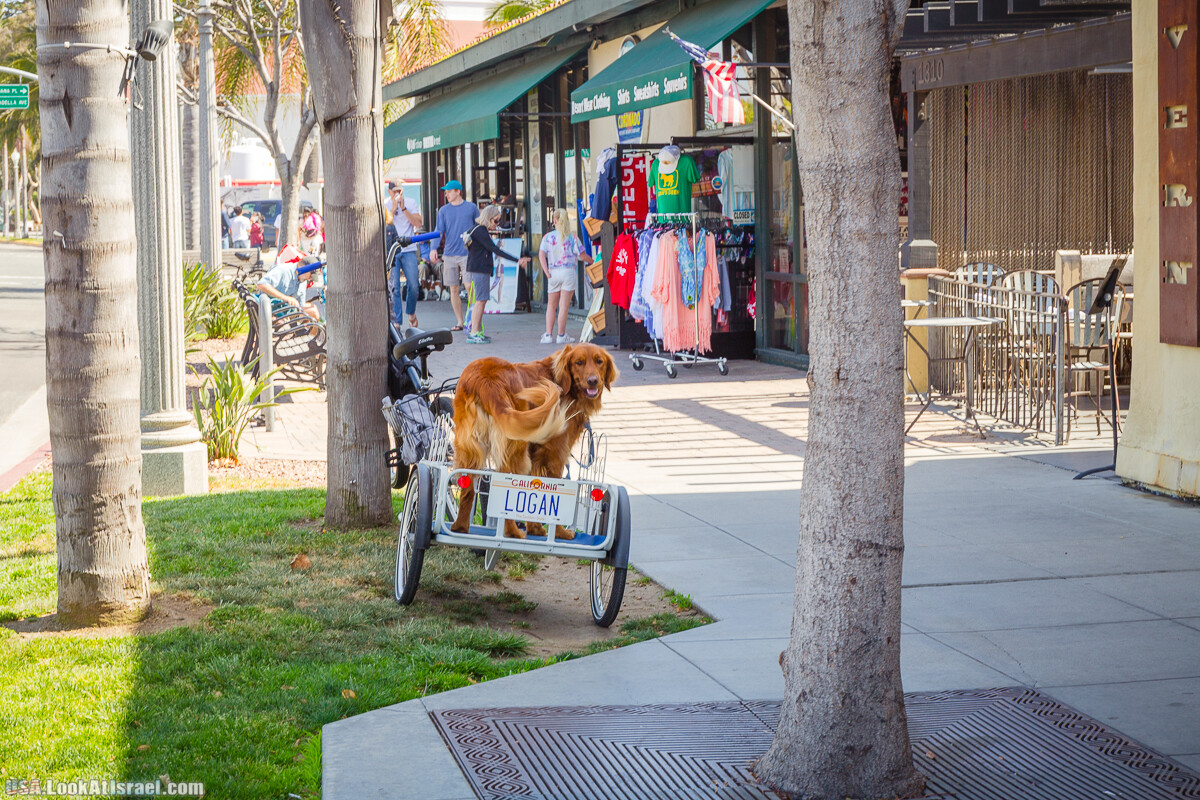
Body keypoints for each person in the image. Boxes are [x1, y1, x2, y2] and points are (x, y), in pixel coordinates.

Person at [463, 204, 522, 344]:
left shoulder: (477, 229)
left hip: (478, 268)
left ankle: (476, 331)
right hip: (480, 269)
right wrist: (517, 260)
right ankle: (474, 332)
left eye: (499, 221)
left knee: (481, 300)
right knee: (480, 300)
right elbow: (495, 249)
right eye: (496, 220)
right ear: (488, 218)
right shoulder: (480, 231)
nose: (497, 224)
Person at [538, 208, 593, 344]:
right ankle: (561, 335)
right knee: (563, 306)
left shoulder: (547, 237)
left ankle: (548, 335)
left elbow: (541, 255)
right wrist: (594, 261)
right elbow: (582, 256)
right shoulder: (572, 237)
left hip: (553, 273)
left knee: (551, 306)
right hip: (568, 272)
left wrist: (546, 271)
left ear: (555, 221)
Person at [429, 180, 478, 332]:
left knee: (470, 286)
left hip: (467, 253)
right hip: (449, 254)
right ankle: (460, 321)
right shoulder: (443, 211)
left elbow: (479, 228)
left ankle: (473, 319)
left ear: (458, 191)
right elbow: (439, 231)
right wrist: (433, 248)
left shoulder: (471, 208)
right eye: (446, 192)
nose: (447, 194)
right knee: (454, 289)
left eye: (449, 191)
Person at [385, 181, 423, 328]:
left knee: (413, 285)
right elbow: (386, 223)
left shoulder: (411, 202)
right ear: (389, 192)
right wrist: (394, 208)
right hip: (392, 250)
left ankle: (411, 313)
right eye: (394, 191)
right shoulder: (385, 204)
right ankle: (397, 321)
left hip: (408, 249)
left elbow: (418, 223)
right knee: (394, 287)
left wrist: (404, 208)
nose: (397, 194)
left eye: (399, 191)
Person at [256, 257, 321, 323]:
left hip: (285, 311)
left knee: (314, 311)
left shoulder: (303, 281)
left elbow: (301, 306)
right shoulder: (283, 270)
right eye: (310, 275)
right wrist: (285, 298)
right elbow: (261, 285)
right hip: (269, 309)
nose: (310, 279)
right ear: (303, 268)